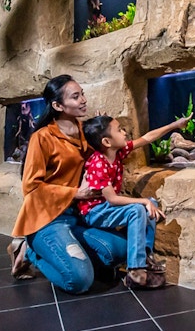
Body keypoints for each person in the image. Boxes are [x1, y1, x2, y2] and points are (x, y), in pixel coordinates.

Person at [8, 75, 129, 294]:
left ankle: (70, 251)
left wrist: (105, 133)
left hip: (78, 217)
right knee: (80, 280)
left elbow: (103, 158)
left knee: (121, 251)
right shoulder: (42, 137)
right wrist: (76, 193)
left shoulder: (86, 132)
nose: (83, 99)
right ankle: (31, 252)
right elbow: (31, 187)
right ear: (57, 105)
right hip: (47, 220)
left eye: (82, 93)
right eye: (75, 96)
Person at [79, 113, 192, 288]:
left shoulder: (118, 152)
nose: (124, 132)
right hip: (94, 212)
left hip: (106, 207)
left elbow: (147, 138)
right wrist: (142, 202)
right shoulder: (97, 164)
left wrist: (174, 125)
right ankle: (136, 272)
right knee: (139, 208)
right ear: (107, 142)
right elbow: (112, 199)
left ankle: (144, 255)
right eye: (119, 130)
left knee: (152, 203)